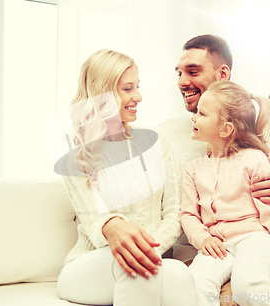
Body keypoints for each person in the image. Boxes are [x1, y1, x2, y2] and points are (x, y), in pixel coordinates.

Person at [160, 34, 270, 306]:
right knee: (208, 290)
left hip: (255, 240)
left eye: (193, 71)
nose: (182, 82)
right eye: (179, 73)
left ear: (222, 74)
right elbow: (181, 212)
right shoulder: (167, 137)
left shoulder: (260, 140)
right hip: (206, 249)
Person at [56, 49, 197, 306]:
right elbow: (95, 220)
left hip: (152, 260)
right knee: (139, 268)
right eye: (128, 89)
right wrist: (116, 229)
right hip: (90, 265)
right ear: (102, 94)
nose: (138, 97)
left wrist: (147, 248)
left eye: (137, 87)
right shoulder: (75, 152)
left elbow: (175, 211)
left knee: (179, 274)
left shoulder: (156, 139)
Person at [181, 80, 270, 306]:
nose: (194, 117)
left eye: (202, 114)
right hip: (216, 246)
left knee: (248, 285)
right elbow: (188, 214)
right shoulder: (192, 169)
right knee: (195, 284)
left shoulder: (254, 159)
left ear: (225, 129)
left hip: (254, 239)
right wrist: (203, 238)